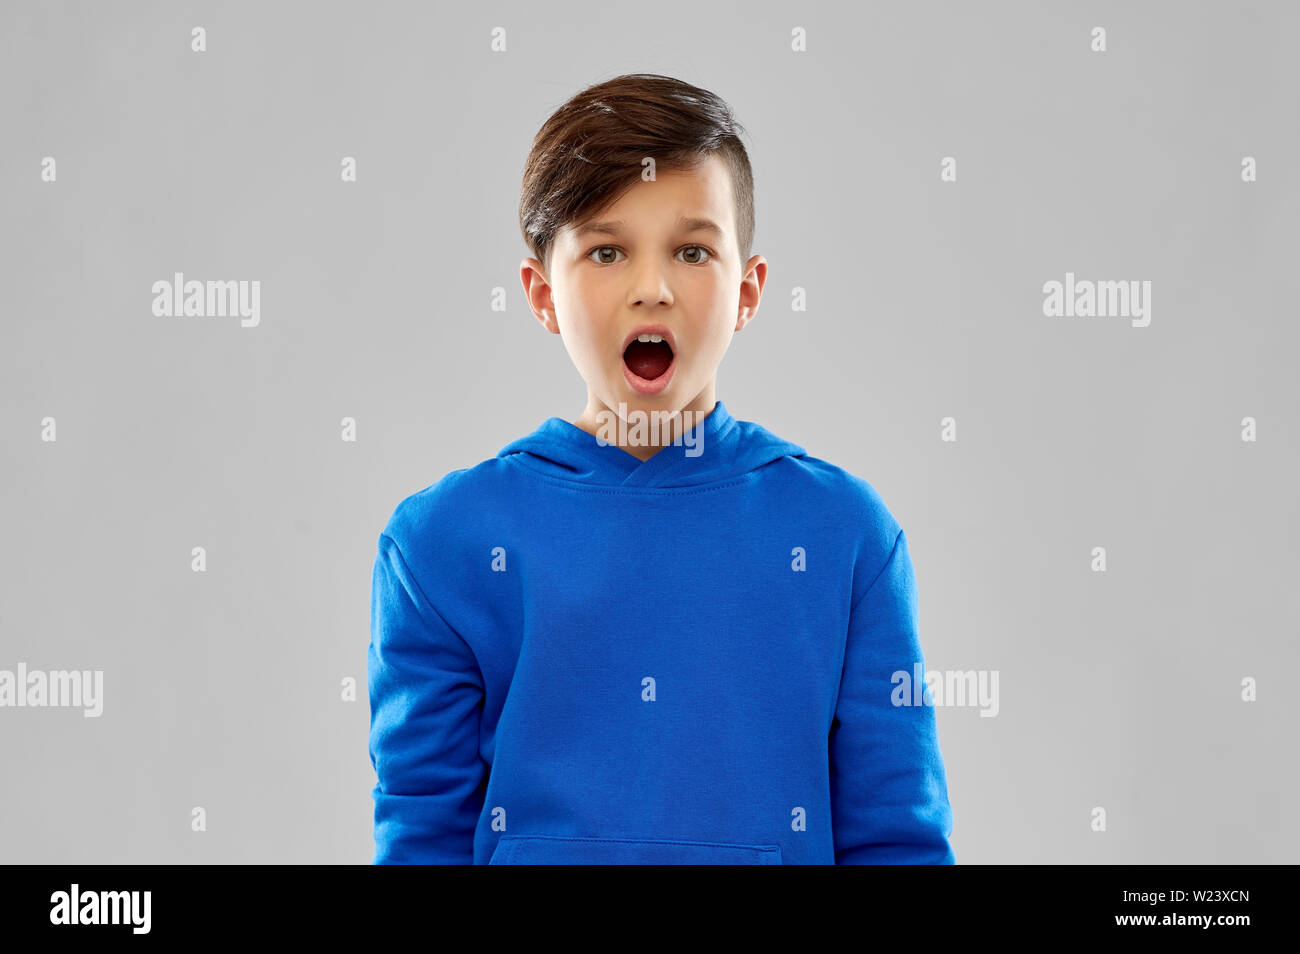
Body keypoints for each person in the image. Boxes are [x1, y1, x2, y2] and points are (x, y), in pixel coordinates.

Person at [367, 73, 955, 864]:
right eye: (607, 251)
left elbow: (898, 841)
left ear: (748, 291)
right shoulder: (441, 543)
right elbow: (421, 841)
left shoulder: (845, 534)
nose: (652, 289)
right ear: (542, 294)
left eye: (692, 251)